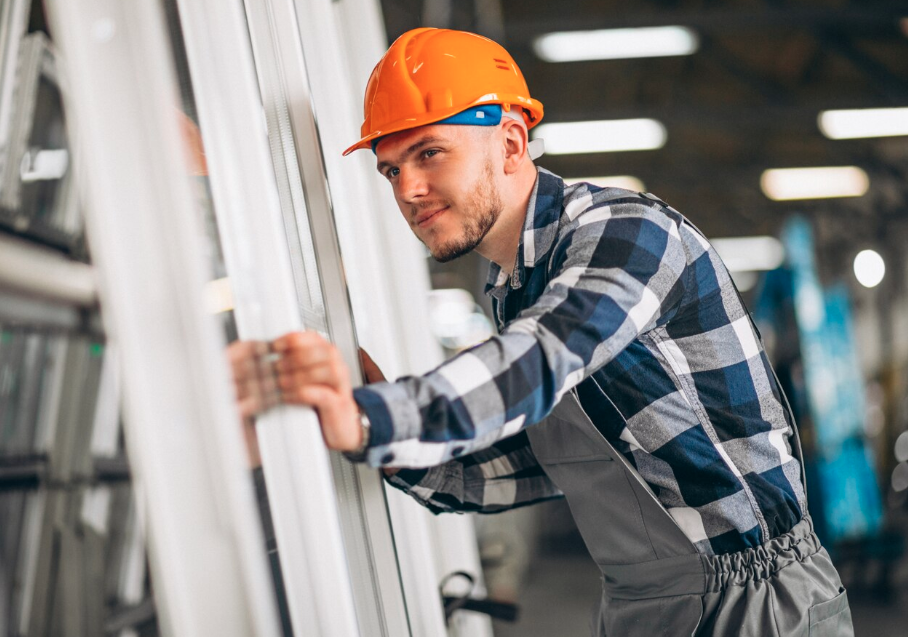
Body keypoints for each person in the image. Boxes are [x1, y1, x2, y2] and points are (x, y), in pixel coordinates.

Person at [228, 27, 853, 636]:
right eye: (390, 170)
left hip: (758, 604)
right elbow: (548, 464)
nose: (409, 191)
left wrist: (376, 416)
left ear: (509, 140)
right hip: (644, 603)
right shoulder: (512, 289)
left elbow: (545, 355)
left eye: (429, 152)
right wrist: (378, 441)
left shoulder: (626, 233)